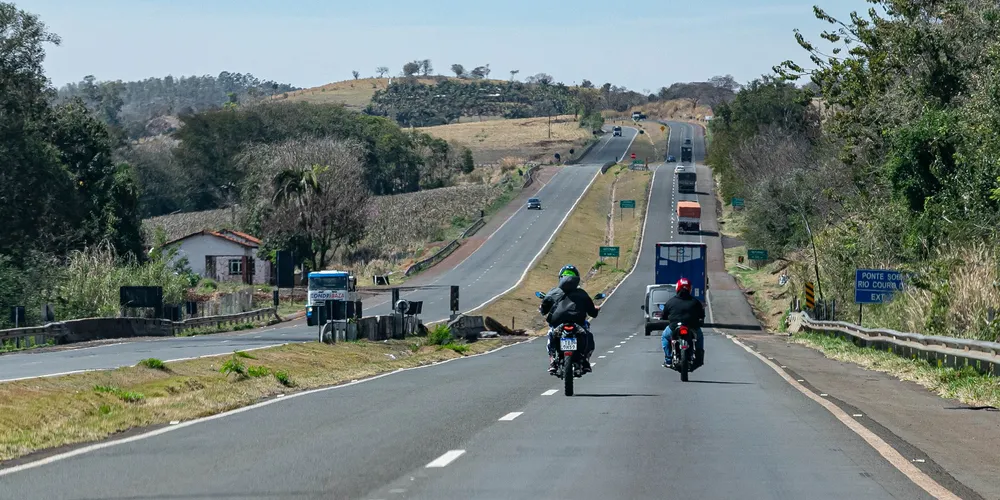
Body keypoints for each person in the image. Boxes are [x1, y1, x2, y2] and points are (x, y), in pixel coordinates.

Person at [539, 264, 600, 374]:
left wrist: (543, 308)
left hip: (558, 324)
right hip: (578, 323)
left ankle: (552, 361)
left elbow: (544, 309)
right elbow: (592, 313)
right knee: (588, 335)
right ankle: (585, 361)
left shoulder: (554, 292)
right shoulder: (582, 294)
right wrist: (596, 309)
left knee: (551, 334)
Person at [660, 278, 705, 368]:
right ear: (689, 289)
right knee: (699, 337)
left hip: (674, 328)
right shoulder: (695, 302)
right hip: (692, 327)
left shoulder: (670, 302)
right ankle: (699, 357)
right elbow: (702, 315)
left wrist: (664, 318)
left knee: (665, 336)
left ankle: (668, 359)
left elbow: (664, 315)